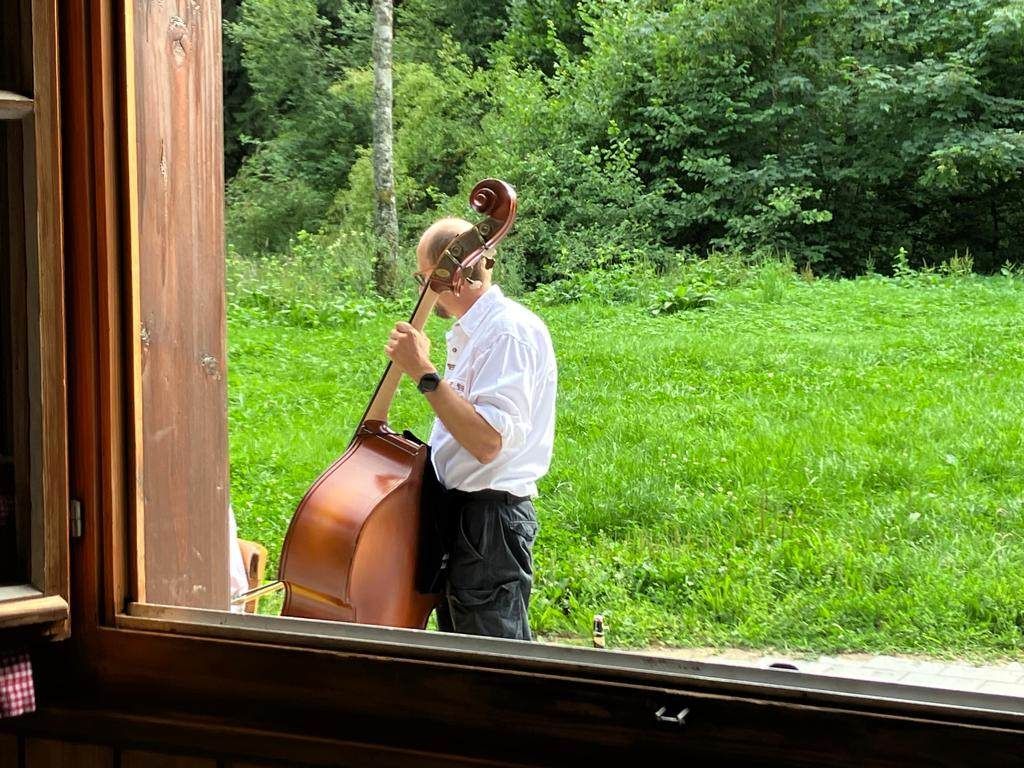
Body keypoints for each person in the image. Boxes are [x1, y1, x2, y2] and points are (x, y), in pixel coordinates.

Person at [385, 217, 557, 641]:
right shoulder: (476, 330)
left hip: (491, 524)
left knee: (493, 669)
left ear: (455, 277)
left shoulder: (507, 333)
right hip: (466, 516)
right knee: (466, 658)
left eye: (425, 278)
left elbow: (486, 442)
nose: (424, 290)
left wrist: (424, 373)